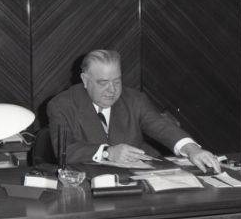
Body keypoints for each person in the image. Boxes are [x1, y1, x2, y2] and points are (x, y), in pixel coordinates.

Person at [47, 49, 221, 173]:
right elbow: (65, 151)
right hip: (85, 183)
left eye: (117, 81)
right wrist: (108, 153)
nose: (112, 90)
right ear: (85, 80)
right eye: (103, 83)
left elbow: (160, 126)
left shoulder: (134, 99)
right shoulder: (62, 105)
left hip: (132, 181)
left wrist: (191, 149)